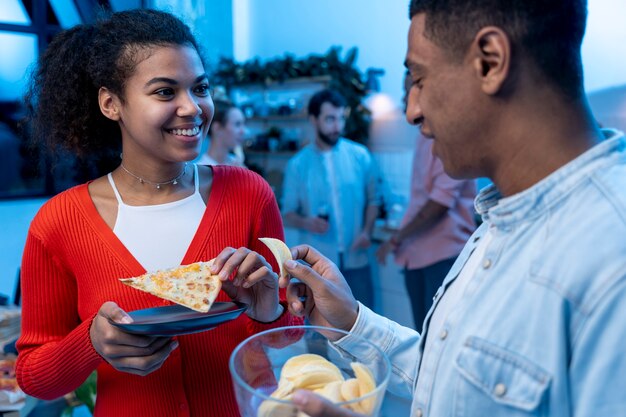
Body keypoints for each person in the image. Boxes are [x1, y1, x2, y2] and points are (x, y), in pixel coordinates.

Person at [276, 0, 626, 416]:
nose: (412, 110)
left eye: (419, 78)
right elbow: (445, 380)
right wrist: (352, 321)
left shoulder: (612, 259)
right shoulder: (499, 221)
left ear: (490, 62)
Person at [15, 9, 300, 417]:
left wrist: (269, 309)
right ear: (111, 103)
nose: (192, 108)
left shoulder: (248, 193)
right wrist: (91, 342)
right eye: (165, 92)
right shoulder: (58, 223)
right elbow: (34, 378)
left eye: (200, 88)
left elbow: (284, 339)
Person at [376, 72, 476, 330]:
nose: (406, 106)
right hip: (415, 254)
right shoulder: (424, 135)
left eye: (408, 91)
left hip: (442, 255)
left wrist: (396, 238)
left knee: (441, 335)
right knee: (423, 336)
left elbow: (439, 204)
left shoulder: (451, 133)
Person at [281, 89, 381, 309]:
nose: (337, 126)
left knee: (365, 323)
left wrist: (366, 231)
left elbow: (374, 200)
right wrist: (306, 222)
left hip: (357, 258)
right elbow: (287, 214)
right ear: (313, 120)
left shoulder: (360, 155)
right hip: (317, 263)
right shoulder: (297, 165)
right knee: (317, 330)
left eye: (340, 119)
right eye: (329, 119)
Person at [196, 99, 247, 167]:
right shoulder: (201, 170)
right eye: (237, 124)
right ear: (217, 128)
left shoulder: (238, 164)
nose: (243, 131)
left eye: (243, 124)